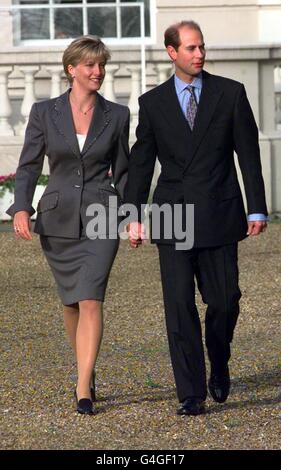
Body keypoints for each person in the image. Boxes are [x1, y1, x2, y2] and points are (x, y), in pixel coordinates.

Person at [125, 21, 267, 416]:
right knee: (178, 306)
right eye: (190, 48)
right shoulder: (152, 103)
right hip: (171, 213)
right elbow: (141, 164)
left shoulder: (230, 94)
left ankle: (218, 359)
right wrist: (133, 215)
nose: (199, 54)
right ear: (172, 52)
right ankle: (191, 392)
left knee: (224, 301)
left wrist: (257, 206)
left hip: (219, 212)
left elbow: (249, 155)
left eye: (201, 47)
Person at [7, 36, 130, 415]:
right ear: (71, 69)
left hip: (101, 216)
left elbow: (125, 171)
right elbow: (28, 165)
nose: (98, 72)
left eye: (101, 65)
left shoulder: (118, 115)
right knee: (70, 301)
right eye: (90, 65)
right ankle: (86, 368)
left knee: (91, 297)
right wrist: (21, 208)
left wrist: (133, 216)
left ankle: (82, 388)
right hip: (58, 218)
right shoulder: (45, 112)